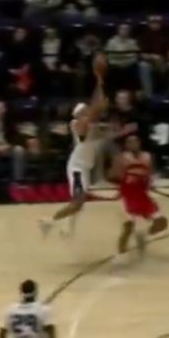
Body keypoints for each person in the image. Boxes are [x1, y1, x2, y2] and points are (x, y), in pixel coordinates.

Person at [39, 55, 125, 238]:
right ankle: (49, 221)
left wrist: (99, 83)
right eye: (84, 111)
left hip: (85, 168)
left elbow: (98, 109)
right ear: (78, 115)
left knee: (79, 203)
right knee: (78, 202)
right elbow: (97, 108)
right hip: (77, 168)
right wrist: (99, 79)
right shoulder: (78, 125)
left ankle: (66, 229)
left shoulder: (89, 124)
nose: (88, 111)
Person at [110, 133, 168, 259]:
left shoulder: (147, 156)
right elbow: (112, 176)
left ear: (139, 143)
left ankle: (143, 235)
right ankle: (120, 256)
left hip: (142, 195)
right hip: (127, 195)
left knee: (162, 223)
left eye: (135, 141)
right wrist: (126, 178)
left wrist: (149, 182)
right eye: (129, 142)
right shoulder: (121, 158)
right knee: (128, 227)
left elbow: (150, 174)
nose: (133, 144)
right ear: (126, 145)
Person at [137, 15, 169, 98]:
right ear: (148, 24)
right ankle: (148, 96)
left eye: (157, 22)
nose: (155, 25)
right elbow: (140, 54)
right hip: (150, 63)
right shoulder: (143, 36)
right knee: (143, 65)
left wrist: (163, 58)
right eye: (153, 22)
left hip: (163, 63)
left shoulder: (166, 35)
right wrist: (152, 56)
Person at [104, 23, 141, 92]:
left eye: (126, 29)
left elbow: (135, 57)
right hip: (115, 65)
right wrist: (123, 59)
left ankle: (130, 94)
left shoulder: (133, 42)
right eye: (122, 29)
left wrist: (124, 61)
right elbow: (109, 57)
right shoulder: (111, 42)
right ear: (118, 30)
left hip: (128, 66)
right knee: (110, 71)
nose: (124, 31)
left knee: (133, 70)